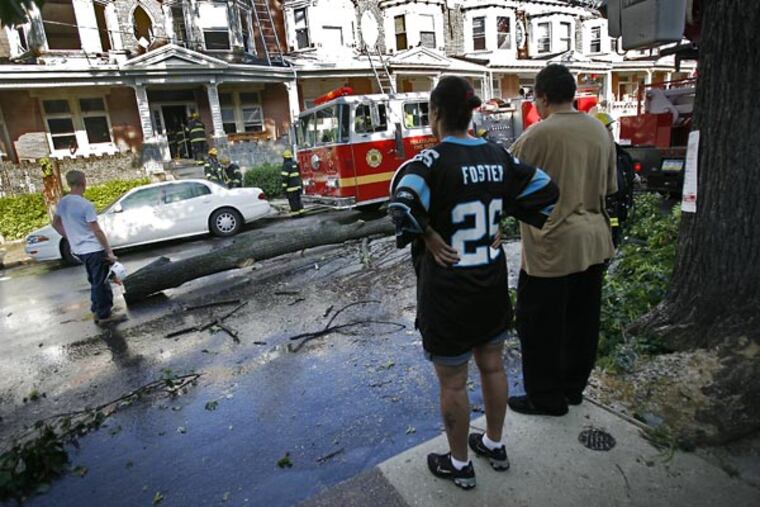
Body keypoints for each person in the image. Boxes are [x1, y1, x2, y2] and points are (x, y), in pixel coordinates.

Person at [389, 76, 558, 490]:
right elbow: (546, 191)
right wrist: (503, 219)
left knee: (453, 380)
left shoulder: (428, 163)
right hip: (491, 283)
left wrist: (428, 236)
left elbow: (401, 205)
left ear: (435, 114)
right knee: (493, 364)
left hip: (447, 292)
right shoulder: (499, 156)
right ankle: (495, 444)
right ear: (471, 114)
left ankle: (460, 464)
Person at [508, 64, 617, 416]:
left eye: (534, 99)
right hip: (595, 241)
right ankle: (572, 389)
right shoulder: (600, 132)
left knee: (539, 326)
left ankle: (545, 398)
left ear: (541, 97)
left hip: (551, 248)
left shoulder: (537, 136)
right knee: (582, 322)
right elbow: (610, 187)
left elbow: (504, 186)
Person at [52, 170, 122, 326]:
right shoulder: (86, 205)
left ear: (70, 183)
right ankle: (104, 315)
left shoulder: (63, 202)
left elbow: (55, 224)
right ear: (83, 182)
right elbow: (96, 230)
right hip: (94, 249)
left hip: (79, 251)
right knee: (101, 282)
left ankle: (97, 310)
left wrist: (70, 237)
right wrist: (109, 251)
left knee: (95, 280)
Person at [595, 112, 636, 247]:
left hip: (619, 205)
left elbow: (627, 174)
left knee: (616, 233)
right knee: (608, 238)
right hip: (605, 208)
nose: (611, 133)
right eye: (608, 129)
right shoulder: (595, 153)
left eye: (611, 129)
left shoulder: (619, 153)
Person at [281, 149, 304, 216]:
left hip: (290, 188)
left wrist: (284, 189)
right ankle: (301, 212)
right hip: (298, 186)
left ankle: (295, 214)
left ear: (285, 158)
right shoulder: (295, 163)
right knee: (298, 200)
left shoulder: (285, 166)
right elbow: (299, 174)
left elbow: (284, 178)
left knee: (293, 201)